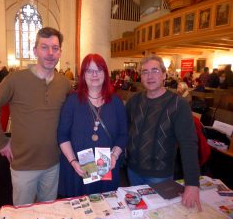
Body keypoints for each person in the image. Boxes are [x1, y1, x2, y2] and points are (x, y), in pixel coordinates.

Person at [0, 27, 72, 206]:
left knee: (48, 213)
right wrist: (1, 142)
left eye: (55, 48)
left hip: (53, 164)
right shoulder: (15, 79)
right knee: (22, 214)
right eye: (44, 47)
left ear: (60, 52)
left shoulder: (64, 84)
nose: (50, 53)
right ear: (35, 50)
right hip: (23, 165)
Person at [126, 54, 202, 211]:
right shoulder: (134, 101)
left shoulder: (177, 104)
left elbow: (188, 144)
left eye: (155, 70)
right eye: (145, 72)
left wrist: (192, 184)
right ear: (141, 77)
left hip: (159, 176)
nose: (150, 76)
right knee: (138, 213)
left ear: (164, 74)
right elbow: (124, 130)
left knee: (159, 213)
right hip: (133, 170)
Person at [57, 53, 127, 197]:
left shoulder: (115, 102)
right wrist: (73, 161)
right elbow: (62, 135)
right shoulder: (72, 101)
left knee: (105, 208)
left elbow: (124, 134)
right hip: (78, 169)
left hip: (106, 167)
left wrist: (114, 155)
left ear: (105, 74)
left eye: (99, 70)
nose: (94, 74)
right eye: (89, 70)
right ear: (83, 74)